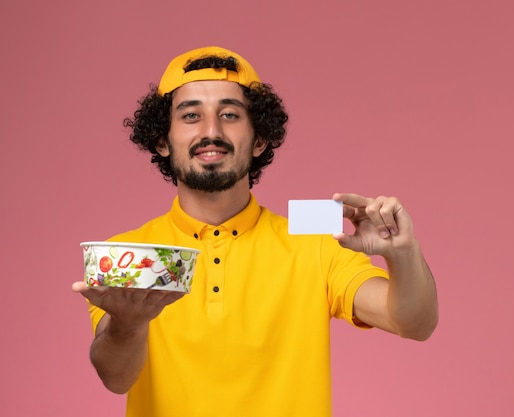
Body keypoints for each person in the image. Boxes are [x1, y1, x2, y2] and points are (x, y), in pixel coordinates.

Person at [72, 45, 438, 417]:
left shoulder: (313, 242)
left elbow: (414, 323)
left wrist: (402, 252)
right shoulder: (125, 254)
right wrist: (128, 325)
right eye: (191, 115)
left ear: (259, 140)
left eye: (230, 114)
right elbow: (116, 378)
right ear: (162, 141)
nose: (211, 131)